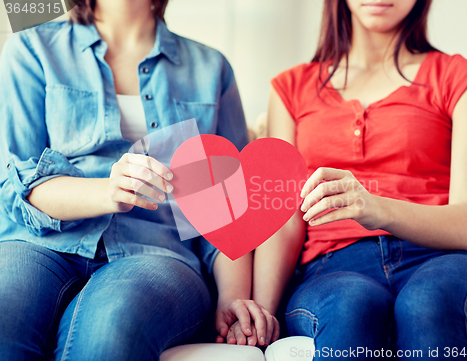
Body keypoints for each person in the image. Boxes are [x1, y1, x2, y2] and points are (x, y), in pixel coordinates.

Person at [0, 0, 278, 360]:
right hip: (40, 244)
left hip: (158, 253)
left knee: (111, 325)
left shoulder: (212, 69)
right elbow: (16, 186)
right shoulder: (32, 49)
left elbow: (226, 209)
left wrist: (233, 297)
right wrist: (107, 191)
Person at [250, 0, 467, 358]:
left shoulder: (465, 78)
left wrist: (375, 207)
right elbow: (286, 217)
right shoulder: (291, 89)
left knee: (427, 300)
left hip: (449, 260)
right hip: (333, 266)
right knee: (352, 307)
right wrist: (262, 309)